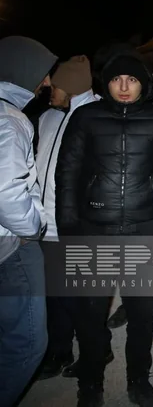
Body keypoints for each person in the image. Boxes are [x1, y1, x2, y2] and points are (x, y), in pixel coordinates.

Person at [56, 53, 153, 406]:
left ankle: (139, 381)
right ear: (105, 83)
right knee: (91, 312)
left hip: (142, 227)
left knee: (141, 313)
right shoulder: (86, 116)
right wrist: (68, 226)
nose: (123, 86)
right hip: (95, 227)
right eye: (117, 79)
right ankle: (90, 382)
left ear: (143, 85)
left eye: (132, 80)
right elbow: (68, 172)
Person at [35, 56, 101, 380]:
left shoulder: (98, 115)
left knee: (81, 298)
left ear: (72, 86)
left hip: (78, 226)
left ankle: (96, 351)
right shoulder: (47, 117)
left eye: (56, 83)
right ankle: (59, 350)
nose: (48, 86)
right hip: (43, 223)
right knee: (53, 295)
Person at [0, 36, 56, 407]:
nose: (47, 82)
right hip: (12, 246)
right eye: (43, 73)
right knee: (27, 342)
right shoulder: (10, 119)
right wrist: (33, 227)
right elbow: (7, 192)